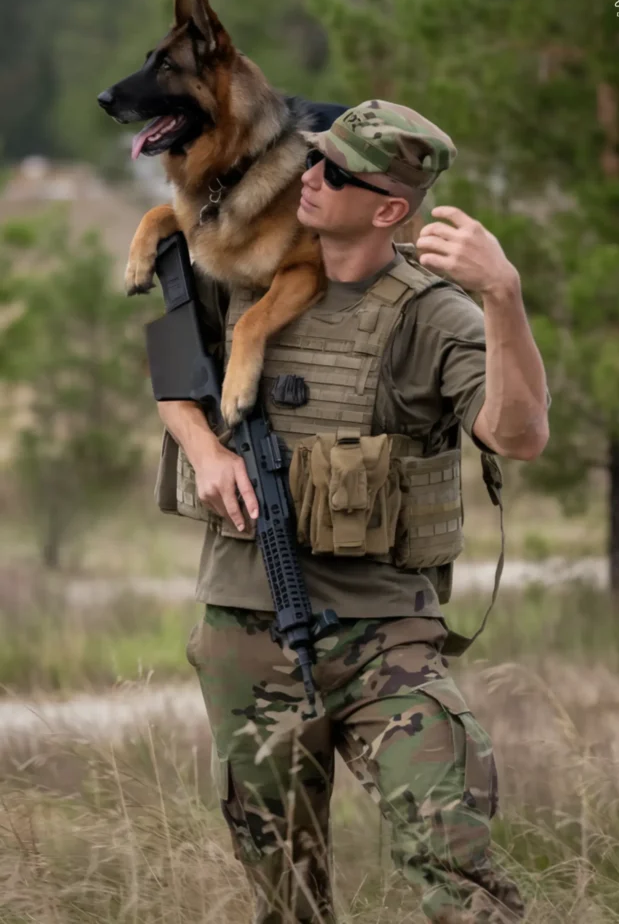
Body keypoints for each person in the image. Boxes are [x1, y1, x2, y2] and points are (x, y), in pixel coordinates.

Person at [156, 99, 549, 924]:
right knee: (285, 893)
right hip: (246, 626)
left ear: (388, 209)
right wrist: (204, 449)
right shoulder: (241, 265)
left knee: (457, 867)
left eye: (334, 171)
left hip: (385, 640)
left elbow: (517, 435)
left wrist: (502, 296)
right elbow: (170, 370)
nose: (309, 175)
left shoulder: (433, 313)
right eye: (310, 157)